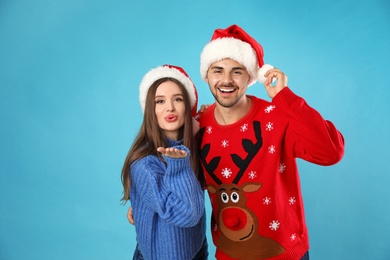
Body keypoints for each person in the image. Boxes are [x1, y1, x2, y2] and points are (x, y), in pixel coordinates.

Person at [197, 24, 345, 259]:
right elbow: (182, 178)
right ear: (206, 75)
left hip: (284, 253)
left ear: (251, 77)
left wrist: (285, 98)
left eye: (237, 71)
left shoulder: (277, 115)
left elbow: (331, 151)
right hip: (229, 253)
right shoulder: (198, 125)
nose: (226, 80)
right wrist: (144, 202)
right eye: (218, 70)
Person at [121, 64, 208, 260]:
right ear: (150, 110)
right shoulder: (145, 163)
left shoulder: (194, 147)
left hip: (196, 249)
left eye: (178, 99)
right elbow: (188, 214)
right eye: (160, 101)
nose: (170, 107)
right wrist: (179, 168)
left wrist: (208, 119)